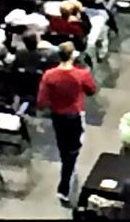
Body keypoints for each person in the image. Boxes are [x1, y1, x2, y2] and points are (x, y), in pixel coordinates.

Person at [37, 41, 96, 204]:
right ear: (72, 55)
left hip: (57, 116)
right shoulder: (81, 74)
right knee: (73, 150)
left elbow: (41, 101)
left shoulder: (49, 75)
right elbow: (91, 90)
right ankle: (64, 187)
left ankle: (67, 163)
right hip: (74, 115)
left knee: (63, 146)